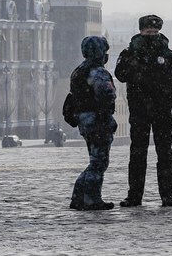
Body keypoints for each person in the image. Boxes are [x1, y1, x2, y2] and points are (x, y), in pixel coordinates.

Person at [115, 14, 172, 207]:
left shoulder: (168, 55)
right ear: (141, 31)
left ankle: (167, 195)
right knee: (138, 153)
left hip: (162, 109)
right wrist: (135, 61)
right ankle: (134, 195)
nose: (152, 35)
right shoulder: (130, 53)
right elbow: (120, 75)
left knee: (164, 153)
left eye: (155, 32)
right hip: (139, 110)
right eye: (148, 32)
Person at [69, 36, 118, 211]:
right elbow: (106, 96)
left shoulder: (78, 71)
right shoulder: (98, 72)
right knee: (99, 162)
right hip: (97, 121)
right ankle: (91, 198)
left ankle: (78, 197)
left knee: (94, 160)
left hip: (84, 120)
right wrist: (106, 118)